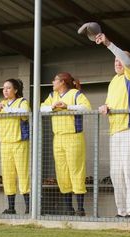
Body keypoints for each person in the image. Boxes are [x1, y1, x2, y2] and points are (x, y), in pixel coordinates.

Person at [95, 33, 130, 218]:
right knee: (116, 172)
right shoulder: (113, 81)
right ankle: (121, 210)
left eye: (120, 60)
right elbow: (109, 104)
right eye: (115, 61)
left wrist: (108, 43)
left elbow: (126, 61)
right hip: (115, 130)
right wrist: (104, 107)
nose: (117, 62)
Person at [40, 72, 91, 216]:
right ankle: (69, 208)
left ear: (62, 82)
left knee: (76, 170)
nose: (53, 82)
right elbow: (41, 108)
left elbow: (86, 107)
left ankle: (80, 208)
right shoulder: (52, 96)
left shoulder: (75, 94)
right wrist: (53, 107)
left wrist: (67, 106)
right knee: (62, 172)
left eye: (55, 80)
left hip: (74, 136)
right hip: (58, 137)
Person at [0, 79, 30, 215]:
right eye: (4, 88)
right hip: (5, 144)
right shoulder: (1, 104)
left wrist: (4, 110)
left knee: (22, 174)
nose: (5, 90)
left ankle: (29, 208)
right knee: (8, 176)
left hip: (19, 143)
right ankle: (11, 208)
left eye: (8, 88)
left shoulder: (22, 102)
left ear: (15, 90)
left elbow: (24, 112)